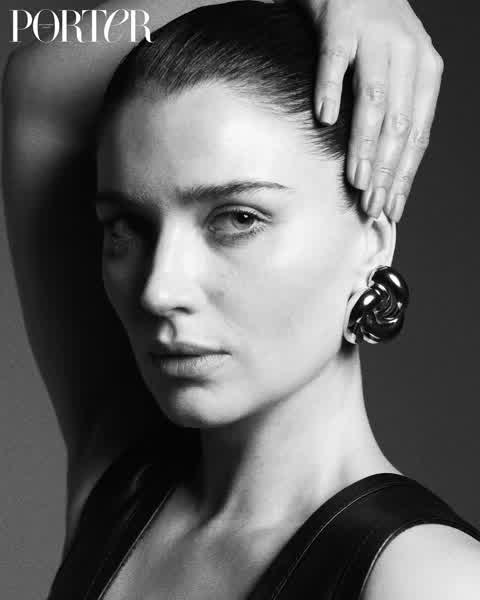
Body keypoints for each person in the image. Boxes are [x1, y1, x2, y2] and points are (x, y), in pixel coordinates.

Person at [5, 1, 477, 599]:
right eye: (127, 227)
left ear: (372, 242)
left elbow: (42, 89)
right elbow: (40, 85)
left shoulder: (428, 580)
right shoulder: (124, 484)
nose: (158, 289)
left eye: (237, 218)